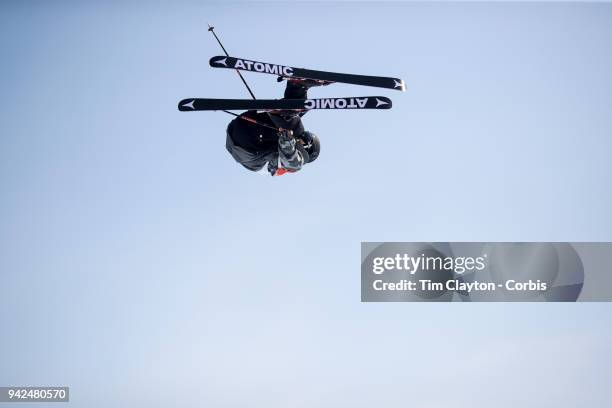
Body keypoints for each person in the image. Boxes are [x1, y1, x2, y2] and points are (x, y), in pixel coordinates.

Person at [225, 79, 326, 176]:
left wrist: (287, 141)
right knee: (296, 110)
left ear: (308, 148)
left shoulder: (285, 167)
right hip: (243, 127)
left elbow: (291, 163)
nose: (303, 137)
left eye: (306, 138)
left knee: (293, 123)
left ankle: (284, 112)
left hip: (250, 148)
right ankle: (298, 85)